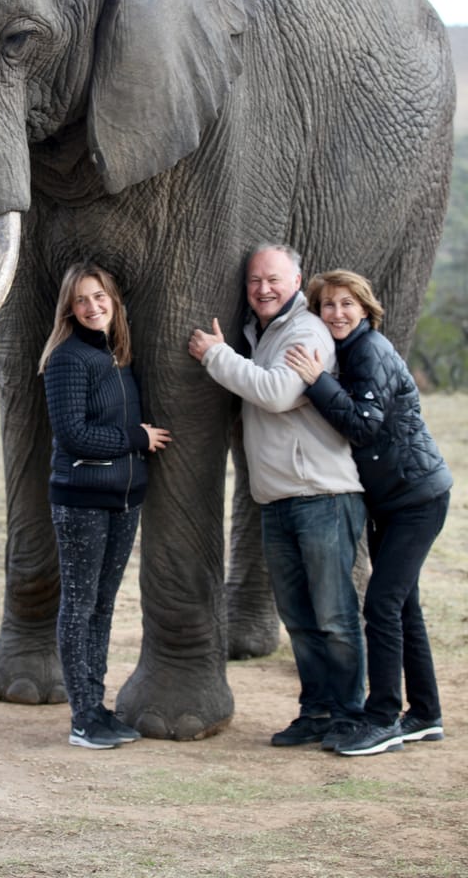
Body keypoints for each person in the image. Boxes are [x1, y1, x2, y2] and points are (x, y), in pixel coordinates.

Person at [188, 243, 366, 750]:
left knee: (334, 617)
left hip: (323, 498)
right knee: (301, 619)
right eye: (254, 281)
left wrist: (216, 356)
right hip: (279, 500)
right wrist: (234, 353)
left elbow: (279, 393)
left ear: (296, 281)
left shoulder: (307, 329)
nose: (263, 289)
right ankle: (316, 712)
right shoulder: (263, 334)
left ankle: (351, 718)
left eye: (274, 280)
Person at [285, 269, 452, 757]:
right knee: (404, 608)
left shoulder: (370, 350)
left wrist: (316, 382)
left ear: (365, 309)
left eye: (346, 304)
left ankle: (382, 718)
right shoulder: (347, 353)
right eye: (327, 305)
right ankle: (425, 714)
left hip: (416, 498)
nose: (337, 313)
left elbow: (363, 424)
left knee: (381, 604)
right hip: (393, 501)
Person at [40, 262, 171, 749]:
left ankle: (97, 706)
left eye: (100, 297)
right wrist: (135, 438)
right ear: (69, 310)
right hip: (82, 500)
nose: (93, 307)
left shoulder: (117, 356)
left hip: (124, 498)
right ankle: (83, 718)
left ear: (113, 301)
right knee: (79, 604)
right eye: (82, 300)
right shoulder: (67, 359)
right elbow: (72, 435)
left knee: (102, 606)